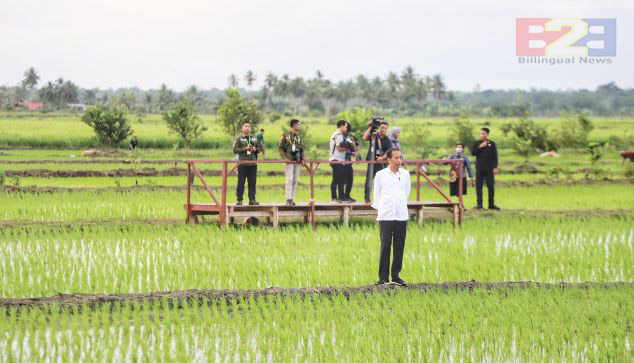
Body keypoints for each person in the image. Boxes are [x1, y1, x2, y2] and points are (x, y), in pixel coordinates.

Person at [371, 148, 410, 286]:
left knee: (399, 246)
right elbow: (376, 194)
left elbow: (406, 192)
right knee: (385, 245)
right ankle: (383, 277)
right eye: (396, 157)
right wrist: (380, 209)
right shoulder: (381, 175)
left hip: (401, 214)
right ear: (388, 159)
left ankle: (396, 276)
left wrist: (399, 203)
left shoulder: (405, 174)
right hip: (386, 214)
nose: (399, 160)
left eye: (400, 157)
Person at [363, 119, 393, 204]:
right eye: (382, 127)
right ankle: (367, 199)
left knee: (384, 181)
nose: (383, 129)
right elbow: (365, 137)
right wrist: (370, 127)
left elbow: (389, 151)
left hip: (382, 163)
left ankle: (383, 199)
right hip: (372, 161)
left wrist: (383, 158)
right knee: (369, 180)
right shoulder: (374, 136)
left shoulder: (387, 139)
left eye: (385, 128)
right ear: (379, 128)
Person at [471, 127, 500, 210]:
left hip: (489, 168)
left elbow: (495, 156)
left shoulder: (492, 144)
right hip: (479, 168)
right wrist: (480, 146)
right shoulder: (477, 143)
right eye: (481, 133)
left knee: (491, 186)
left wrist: (495, 167)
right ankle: (479, 204)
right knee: (479, 186)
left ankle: (491, 204)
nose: (482, 135)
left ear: (487, 134)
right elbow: (473, 153)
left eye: (483, 133)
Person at [232, 121, 260, 206]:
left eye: (248, 126)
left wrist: (255, 149)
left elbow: (258, 150)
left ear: (250, 128)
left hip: (253, 164)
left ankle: (252, 200)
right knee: (241, 182)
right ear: (242, 128)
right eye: (245, 126)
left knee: (252, 183)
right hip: (242, 164)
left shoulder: (254, 138)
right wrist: (245, 148)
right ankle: (239, 200)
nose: (247, 128)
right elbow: (235, 150)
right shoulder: (239, 138)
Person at [278, 119, 304, 206]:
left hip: (297, 161)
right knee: (289, 179)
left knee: (295, 180)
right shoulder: (285, 135)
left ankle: (292, 198)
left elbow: (301, 149)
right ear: (293, 125)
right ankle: (288, 199)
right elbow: (280, 148)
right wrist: (284, 158)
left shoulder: (299, 137)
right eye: (298, 125)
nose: (300, 126)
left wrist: (302, 158)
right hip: (289, 161)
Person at [447, 143, 474, 210]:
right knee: (454, 192)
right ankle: (458, 206)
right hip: (453, 176)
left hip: (462, 176)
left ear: (462, 149)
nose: (458, 148)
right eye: (457, 147)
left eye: (460, 147)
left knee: (459, 192)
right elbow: (445, 163)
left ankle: (460, 206)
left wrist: (471, 177)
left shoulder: (465, 157)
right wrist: (445, 159)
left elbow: (469, 167)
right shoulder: (452, 156)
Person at [329, 120, 349, 203]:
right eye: (345, 126)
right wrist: (348, 148)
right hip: (336, 160)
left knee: (340, 180)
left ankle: (339, 198)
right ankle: (334, 198)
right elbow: (338, 148)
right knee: (336, 180)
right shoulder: (339, 136)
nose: (346, 128)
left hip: (337, 160)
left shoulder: (336, 134)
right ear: (341, 126)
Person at [341, 122, 359, 202]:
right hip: (341, 161)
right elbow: (341, 149)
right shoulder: (340, 137)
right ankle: (341, 196)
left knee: (350, 179)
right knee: (342, 180)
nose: (347, 131)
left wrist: (355, 149)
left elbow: (352, 149)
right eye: (346, 129)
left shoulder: (348, 137)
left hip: (348, 161)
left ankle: (347, 195)